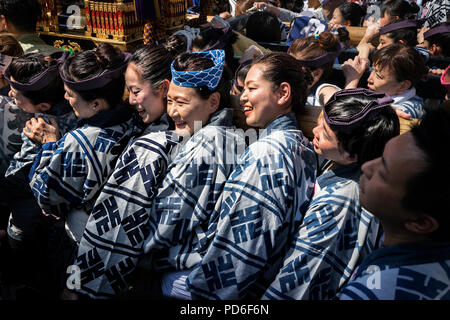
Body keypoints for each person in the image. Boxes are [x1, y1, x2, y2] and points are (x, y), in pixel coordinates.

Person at [73, 49, 245, 299]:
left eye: (182, 102)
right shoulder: (214, 134)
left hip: (178, 278)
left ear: (214, 102)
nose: (173, 111)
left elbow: (162, 228)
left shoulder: (207, 145)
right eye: (170, 100)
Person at [186, 52, 317, 300]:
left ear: (283, 93)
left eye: (251, 88)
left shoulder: (266, 153)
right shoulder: (301, 143)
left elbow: (241, 250)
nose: (242, 97)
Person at [64, 42, 184, 299]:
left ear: (163, 88)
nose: (130, 100)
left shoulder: (156, 143)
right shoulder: (151, 125)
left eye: (136, 91)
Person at [262, 88, 400, 300]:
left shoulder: (342, 201)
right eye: (319, 122)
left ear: (352, 155)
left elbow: (304, 272)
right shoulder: (345, 160)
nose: (315, 131)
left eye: (325, 133)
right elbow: (327, 91)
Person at [26, 44, 136, 296]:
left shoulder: (80, 141)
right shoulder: (133, 119)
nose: (65, 99)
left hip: (84, 243)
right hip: (120, 242)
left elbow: (47, 196)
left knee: (72, 291)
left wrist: (50, 146)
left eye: (70, 94)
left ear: (96, 103)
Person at [337, 106, 450, 300]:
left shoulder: (374, 292)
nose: (366, 166)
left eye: (382, 172)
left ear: (420, 222)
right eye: (381, 156)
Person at [332, 44, 427, 119]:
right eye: (372, 70)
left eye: (378, 76)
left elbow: (344, 115)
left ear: (403, 86)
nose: (369, 79)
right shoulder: (380, 93)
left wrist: (352, 80)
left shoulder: (411, 110)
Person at [288, 30, 344, 106]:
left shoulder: (323, 91)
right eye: (287, 63)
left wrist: (352, 81)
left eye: (294, 69)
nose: (285, 70)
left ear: (316, 74)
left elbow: (344, 108)